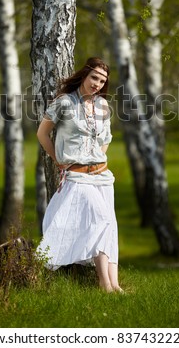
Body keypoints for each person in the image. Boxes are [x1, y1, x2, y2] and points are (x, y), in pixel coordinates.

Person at [36, 57, 122, 293]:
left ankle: (115, 285)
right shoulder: (63, 103)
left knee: (109, 227)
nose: (97, 83)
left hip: (102, 175)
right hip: (77, 176)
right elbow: (42, 134)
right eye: (94, 77)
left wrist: (95, 157)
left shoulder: (103, 106)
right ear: (84, 75)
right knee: (102, 220)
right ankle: (104, 285)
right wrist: (58, 160)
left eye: (102, 80)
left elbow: (105, 140)